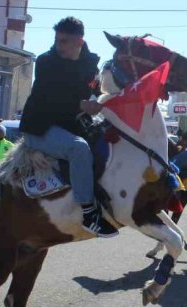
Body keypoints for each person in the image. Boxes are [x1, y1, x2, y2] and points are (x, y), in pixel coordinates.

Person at [18, 17, 117, 237]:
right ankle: (89, 214)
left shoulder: (90, 63)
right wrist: (81, 104)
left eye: (64, 41)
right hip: (39, 128)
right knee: (78, 148)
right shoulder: (45, 62)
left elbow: (94, 90)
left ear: (79, 42)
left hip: (71, 125)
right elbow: (52, 98)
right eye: (57, 40)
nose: (58, 46)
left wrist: (96, 100)